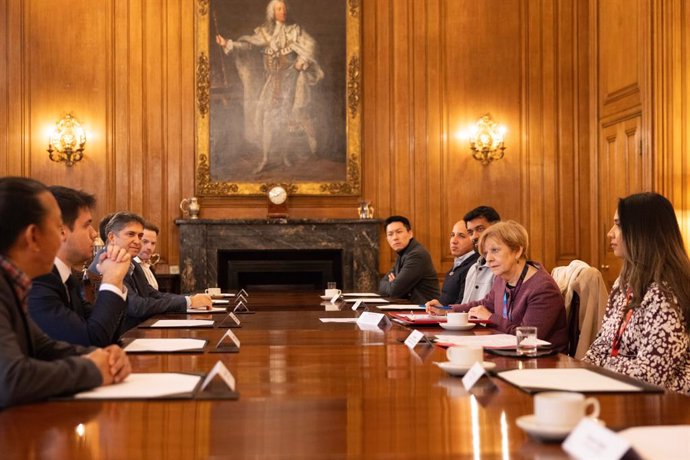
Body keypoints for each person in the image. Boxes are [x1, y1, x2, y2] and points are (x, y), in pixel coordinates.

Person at [0, 177, 130, 408]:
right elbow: (11, 380)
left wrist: (103, 357)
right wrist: (92, 368)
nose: (61, 237)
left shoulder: (12, 284)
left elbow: (44, 347)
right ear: (33, 236)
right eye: (56, 227)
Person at [583, 193, 690, 394]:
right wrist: (580, 371)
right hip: (621, 390)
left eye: (619, 225)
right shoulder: (624, 283)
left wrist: (602, 368)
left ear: (642, 232)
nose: (610, 233)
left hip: (669, 406)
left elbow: (650, 374)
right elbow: (601, 347)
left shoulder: (666, 293)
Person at [216, 0, 324, 173]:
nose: (283, 11)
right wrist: (227, 43)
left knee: (286, 119)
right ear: (272, 12)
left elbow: (311, 47)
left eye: (284, 8)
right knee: (267, 118)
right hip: (272, 82)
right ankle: (265, 158)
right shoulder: (265, 33)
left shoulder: (295, 30)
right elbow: (247, 45)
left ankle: (284, 156)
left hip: (292, 80)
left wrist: (301, 61)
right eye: (279, 9)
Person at [429, 221, 568, 352]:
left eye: (495, 250)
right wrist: (446, 310)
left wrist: (491, 318)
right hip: (510, 354)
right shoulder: (501, 279)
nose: (488, 259)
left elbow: (527, 338)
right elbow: (484, 304)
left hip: (541, 363)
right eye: (485, 253)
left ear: (517, 251)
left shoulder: (542, 288)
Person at [28, 186, 130, 347]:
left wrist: (115, 281)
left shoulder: (70, 278)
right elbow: (90, 341)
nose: (94, 233)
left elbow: (104, 334)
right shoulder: (38, 282)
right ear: (61, 231)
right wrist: (112, 279)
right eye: (86, 225)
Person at [88, 212, 212, 331]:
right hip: (121, 339)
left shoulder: (133, 263)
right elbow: (136, 307)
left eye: (140, 236)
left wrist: (190, 299)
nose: (137, 241)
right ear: (111, 237)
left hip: (139, 330)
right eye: (131, 234)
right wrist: (188, 302)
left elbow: (154, 294)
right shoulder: (106, 264)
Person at [426, 206, 500, 310]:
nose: (474, 236)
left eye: (480, 229)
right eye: (470, 232)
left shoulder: (501, 267)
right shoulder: (473, 269)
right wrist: (444, 310)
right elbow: (466, 307)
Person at [379, 216, 440, 304]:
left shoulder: (417, 255)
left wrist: (393, 284)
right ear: (387, 239)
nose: (395, 237)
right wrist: (392, 285)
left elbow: (394, 291)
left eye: (399, 232)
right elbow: (381, 285)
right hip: (411, 308)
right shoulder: (403, 253)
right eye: (390, 234)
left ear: (410, 233)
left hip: (425, 311)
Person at [427, 220, 478, 306]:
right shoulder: (459, 262)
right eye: (452, 235)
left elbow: (462, 306)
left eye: (461, 236)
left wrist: (443, 310)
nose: (453, 241)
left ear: (473, 239)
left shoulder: (474, 266)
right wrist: (439, 306)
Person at [134, 221, 160, 290]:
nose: (149, 247)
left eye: (153, 243)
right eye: (145, 241)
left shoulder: (148, 265)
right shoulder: (130, 267)